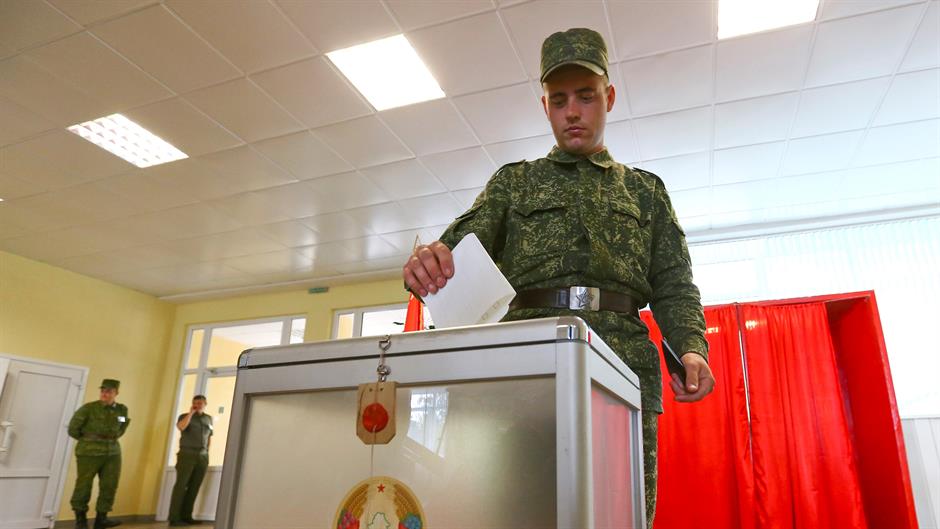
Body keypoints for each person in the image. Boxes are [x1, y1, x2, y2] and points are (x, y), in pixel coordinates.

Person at [401, 27, 716, 527]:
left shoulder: (646, 192)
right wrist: (429, 261)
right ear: (545, 106)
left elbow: (675, 283)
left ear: (608, 98)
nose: (573, 112)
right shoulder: (514, 183)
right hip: (527, 369)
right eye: (560, 99)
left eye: (586, 97)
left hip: (622, 371)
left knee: (618, 512)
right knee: (516, 510)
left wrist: (692, 346)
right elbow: (457, 252)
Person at [67, 379, 129, 529]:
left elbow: (122, 425)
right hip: (89, 452)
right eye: (103, 390)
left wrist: (111, 438)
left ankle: (102, 519)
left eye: (109, 391)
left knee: (109, 485)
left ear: (116, 393)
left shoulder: (121, 410)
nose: (105, 393)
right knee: (84, 485)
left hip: (113, 453)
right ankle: (81, 521)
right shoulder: (88, 409)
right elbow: (73, 429)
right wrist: (90, 441)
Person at [168, 395, 213, 526]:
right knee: (181, 486)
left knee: (194, 487)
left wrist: (207, 452)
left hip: (202, 456)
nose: (197, 405)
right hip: (187, 454)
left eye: (200, 403)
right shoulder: (184, 416)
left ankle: (187, 516)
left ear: (205, 404)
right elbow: (181, 427)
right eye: (195, 403)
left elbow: (209, 436)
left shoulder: (208, 419)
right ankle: (174, 518)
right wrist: (191, 413)